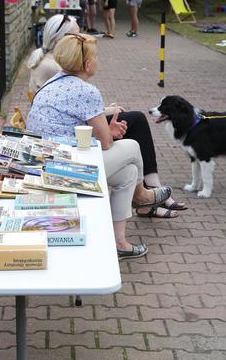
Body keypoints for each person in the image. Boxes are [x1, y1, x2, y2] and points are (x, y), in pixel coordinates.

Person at [27, 33, 174, 259]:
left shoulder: (53, 81)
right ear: (87, 64)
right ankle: (142, 195)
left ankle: (119, 243)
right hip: (66, 168)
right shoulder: (86, 91)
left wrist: (109, 132)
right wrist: (109, 134)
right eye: (96, 57)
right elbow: (106, 143)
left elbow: (87, 132)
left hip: (44, 162)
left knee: (129, 172)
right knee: (133, 146)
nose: (98, 60)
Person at [26, 14, 79, 99]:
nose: (81, 41)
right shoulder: (54, 67)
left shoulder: (50, 58)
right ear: (60, 41)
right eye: (76, 37)